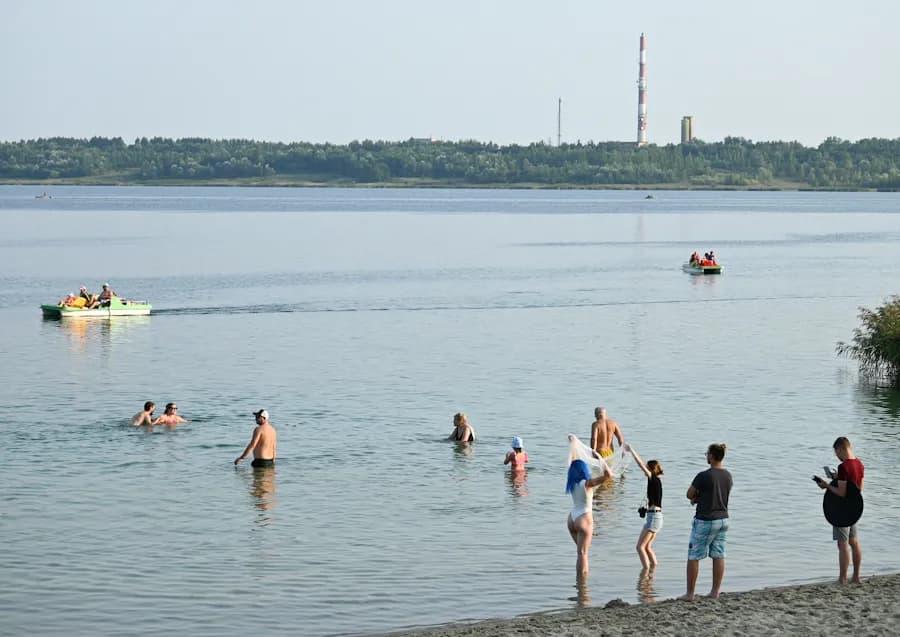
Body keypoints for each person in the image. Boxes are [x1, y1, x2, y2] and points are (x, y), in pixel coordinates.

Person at [680, 442, 732, 601]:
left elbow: (689, 494)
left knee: (693, 556)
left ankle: (690, 594)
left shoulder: (704, 475)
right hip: (723, 519)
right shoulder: (728, 475)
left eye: (707, 454)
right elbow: (717, 494)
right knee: (718, 555)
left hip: (705, 520)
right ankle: (715, 592)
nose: (706, 456)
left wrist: (696, 498)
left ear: (711, 456)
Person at [816, 436, 864, 584]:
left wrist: (827, 485)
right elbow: (858, 489)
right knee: (854, 541)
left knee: (842, 544)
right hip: (854, 508)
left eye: (836, 453)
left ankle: (842, 579)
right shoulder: (859, 464)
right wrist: (839, 478)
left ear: (841, 449)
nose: (837, 456)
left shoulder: (843, 467)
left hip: (841, 510)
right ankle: (856, 577)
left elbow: (841, 493)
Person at [565, 458, 611, 578]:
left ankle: (579, 583)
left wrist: (573, 443)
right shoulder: (587, 484)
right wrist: (600, 459)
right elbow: (608, 475)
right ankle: (583, 586)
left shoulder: (572, 484)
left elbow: (572, 464)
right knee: (583, 553)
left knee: (581, 553)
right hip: (584, 518)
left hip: (572, 518)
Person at [625, 444, 664, 569]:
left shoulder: (653, 478)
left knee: (640, 547)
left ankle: (646, 573)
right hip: (656, 517)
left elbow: (640, 464)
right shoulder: (657, 481)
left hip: (654, 518)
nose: (645, 469)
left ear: (651, 469)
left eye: (647, 468)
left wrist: (631, 451)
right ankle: (653, 570)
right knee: (647, 547)